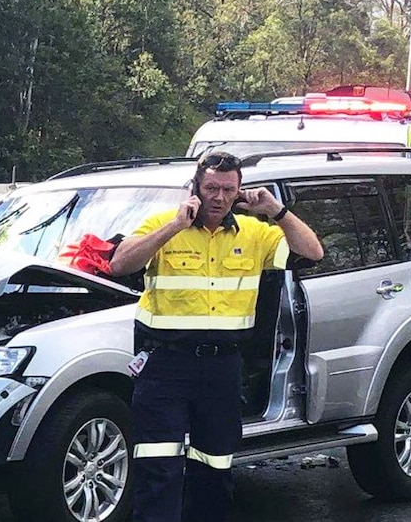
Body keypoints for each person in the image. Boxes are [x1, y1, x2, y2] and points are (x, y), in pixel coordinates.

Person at [108, 152, 323, 522]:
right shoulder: (164, 224)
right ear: (196, 188)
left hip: (222, 368)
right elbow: (120, 264)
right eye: (211, 188)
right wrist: (174, 226)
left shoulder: (257, 234)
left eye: (228, 189)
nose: (219, 197)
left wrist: (277, 211)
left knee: (215, 466)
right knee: (158, 467)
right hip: (165, 365)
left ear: (239, 192)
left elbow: (313, 251)